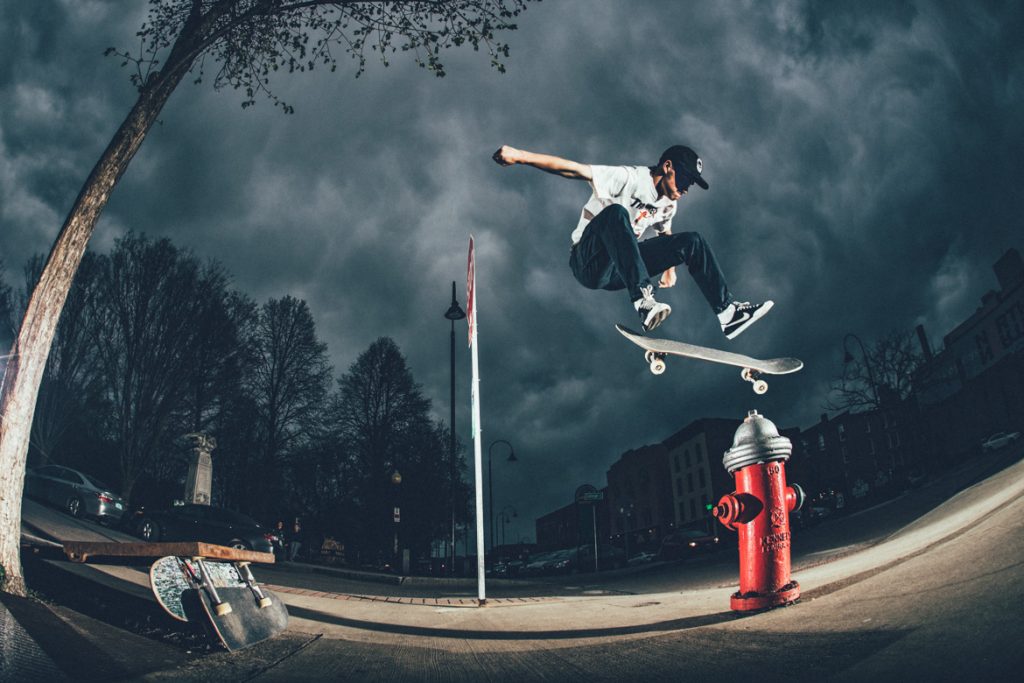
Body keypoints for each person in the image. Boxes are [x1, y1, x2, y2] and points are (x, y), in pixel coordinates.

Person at [492, 144, 772, 337]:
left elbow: (665, 232)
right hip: (587, 262)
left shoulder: (668, 205)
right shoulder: (629, 178)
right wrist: (520, 156)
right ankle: (643, 302)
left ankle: (728, 314)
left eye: (691, 185)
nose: (686, 189)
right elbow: (574, 169)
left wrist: (671, 268)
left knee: (693, 242)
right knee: (616, 213)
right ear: (667, 166)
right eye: (684, 180)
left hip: (621, 270)